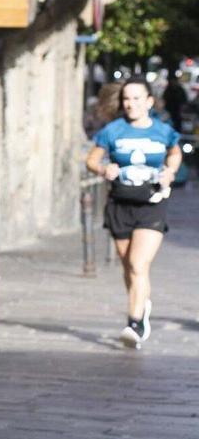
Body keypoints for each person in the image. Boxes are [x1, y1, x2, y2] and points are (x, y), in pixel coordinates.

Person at [87, 76, 183, 348]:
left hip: (152, 203)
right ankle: (142, 304)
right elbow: (91, 160)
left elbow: (174, 153)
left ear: (149, 102)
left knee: (139, 264)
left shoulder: (163, 131)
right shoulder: (112, 131)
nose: (130, 104)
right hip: (120, 203)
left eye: (136, 98)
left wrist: (170, 171)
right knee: (128, 265)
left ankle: (134, 323)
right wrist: (104, 169)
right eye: (126, 99)